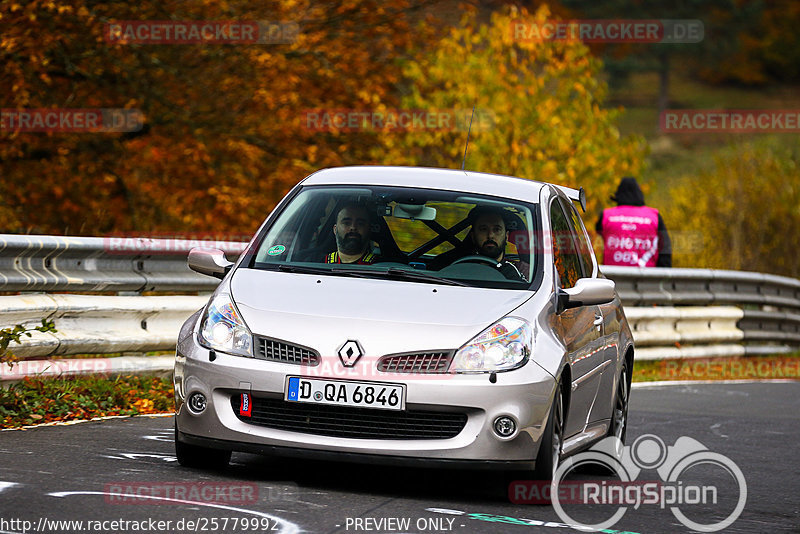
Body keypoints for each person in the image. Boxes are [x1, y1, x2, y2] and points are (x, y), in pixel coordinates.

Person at [596, 177, 672, 267]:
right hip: (647, 277)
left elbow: (598, 232)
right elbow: (665, 248)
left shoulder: (607, 215)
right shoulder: (654, 216)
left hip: (612, 276)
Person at [460, 205, 528, 281]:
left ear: (506, 236)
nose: (490, 235)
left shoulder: (516, 276)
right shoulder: (458, 271)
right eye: (483, 229)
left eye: (497, 229)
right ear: (473, 236)